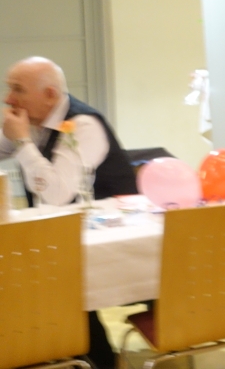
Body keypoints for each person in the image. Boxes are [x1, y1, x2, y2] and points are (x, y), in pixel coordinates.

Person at [1, 56, 137, 369]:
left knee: (56, 283)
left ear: (50, 95)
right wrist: (19, 138)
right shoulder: (33, 118)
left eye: (18, 90)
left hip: (110, 237)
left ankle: (93, 359)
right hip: (65, 235)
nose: (8, 99)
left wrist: (22, 141)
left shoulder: (83, 125)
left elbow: (57, 195)